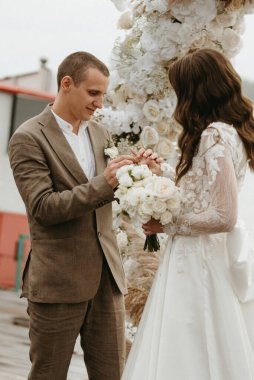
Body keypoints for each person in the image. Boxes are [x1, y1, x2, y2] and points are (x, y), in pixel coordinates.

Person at [8, 51, 160, 380]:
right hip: (58, 283)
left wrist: (141, 174)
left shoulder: (100, 135)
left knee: (112, 375)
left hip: (108, 282)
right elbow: (43, 208)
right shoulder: (28, 138)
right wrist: (103, 185)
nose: (99, 104)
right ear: (66, 84)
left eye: (103, 95)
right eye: (93, 93)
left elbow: (114, 193)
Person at [121, 48, 254, 380]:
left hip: (198, 264)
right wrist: (162, 172)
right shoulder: (228, 132)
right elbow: (201, 191)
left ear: (195, 90)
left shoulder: (215, 135)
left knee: (189, 339)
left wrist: (167, 223)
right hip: (195, 257)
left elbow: (222, 215)